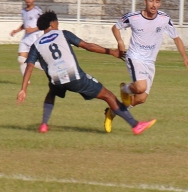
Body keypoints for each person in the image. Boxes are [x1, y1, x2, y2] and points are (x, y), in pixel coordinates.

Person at [16, 10, 156, 134]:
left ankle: (44, 125)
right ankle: (135, 125)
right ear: (52, 24)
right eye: (57, 21)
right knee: (108, 96)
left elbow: (29, 66)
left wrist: (23, 89)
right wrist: (111, 52)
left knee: (52, 91)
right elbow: (88, 46)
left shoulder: (36, 45)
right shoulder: (63, 34)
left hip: (56, 80)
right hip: (75, 78)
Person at [104, 0, 188, 133]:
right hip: (135, 57)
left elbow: (176, 38)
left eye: (157, 1)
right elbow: (115, 27)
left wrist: (185, 57)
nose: (154, 4)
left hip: (150, 62)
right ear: (145, 1)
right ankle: (124, 89)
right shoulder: (133, 17)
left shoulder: (164, 19)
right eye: (151, 1)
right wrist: (120, 41)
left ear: (160, 3)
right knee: (140, 87)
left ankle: (112, 112)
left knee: (141, 98)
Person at [10, 0, 43, 81]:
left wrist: (33, 29)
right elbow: (25, 24)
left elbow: (43, 24)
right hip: (25, 38)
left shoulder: (37, 11)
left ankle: (41, 65)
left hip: (34, 38)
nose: (28, 0)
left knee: (26, 60)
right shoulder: (23, 11)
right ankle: (26, 81)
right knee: (20, 59)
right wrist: (16, 31)